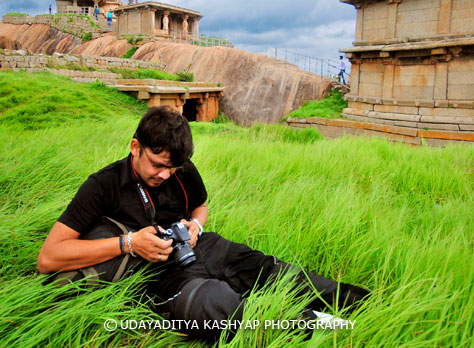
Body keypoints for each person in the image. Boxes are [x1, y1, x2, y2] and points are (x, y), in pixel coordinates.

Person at [37, 107, 369, 341]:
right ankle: (318, 327)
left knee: (269, 269)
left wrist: (195, 225)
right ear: (135, 147)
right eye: (157, 165)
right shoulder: (103, 185)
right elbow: (49, 257)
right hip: (155, 274)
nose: (164, 175)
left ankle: (366, 305)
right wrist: (130, 244)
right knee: (215, 303)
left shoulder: (181, 169)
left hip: (199, 246)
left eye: (172, 168)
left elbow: (201, 206)